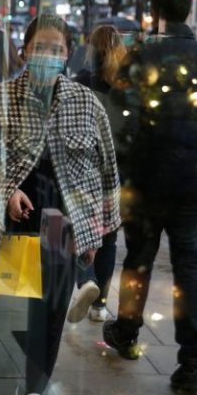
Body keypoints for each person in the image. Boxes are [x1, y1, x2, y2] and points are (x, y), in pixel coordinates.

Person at [0, 15, 120, 395]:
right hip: (18, 228)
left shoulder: (86, 104)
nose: (48, 56)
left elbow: (106, 174)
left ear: (69, 54)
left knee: (48, 318)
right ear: (25, 51)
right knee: (11, 317)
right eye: (40, 47)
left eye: (57, 49)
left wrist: (97, 235)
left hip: (63, 228)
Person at [104, 0, 197, 392]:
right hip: (191, 185)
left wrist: (130, 160)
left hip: (147, 180)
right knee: (189, 266)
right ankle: (192, 362)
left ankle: (127, 330)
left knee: (139, 260)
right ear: (188, 12)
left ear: (156, 13)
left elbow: (118, 116)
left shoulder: (142, 57)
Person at [67, 25, 128, 323]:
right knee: (109, 238)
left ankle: (85, 281)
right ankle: (100, 305)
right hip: (118, 174)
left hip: (85, 168)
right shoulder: (127, 85)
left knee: (83, 228)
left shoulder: (81, 82)